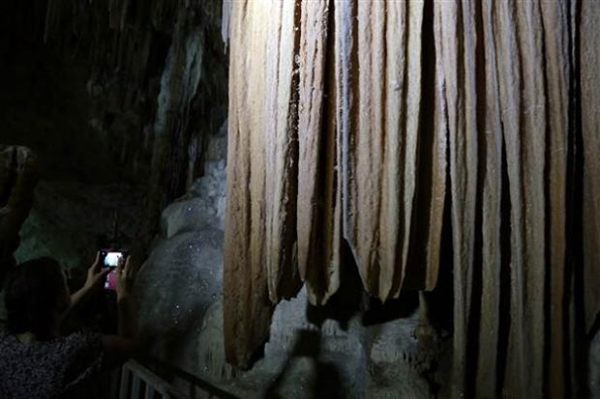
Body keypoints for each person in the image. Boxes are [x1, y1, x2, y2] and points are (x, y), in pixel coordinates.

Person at [0, 253, 139, 398]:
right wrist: (124, 292)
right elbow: (129, 343)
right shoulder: (72, 350)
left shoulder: (4, 344)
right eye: (65, 281)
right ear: (59, 298)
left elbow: (49, 315)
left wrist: (88, 287)